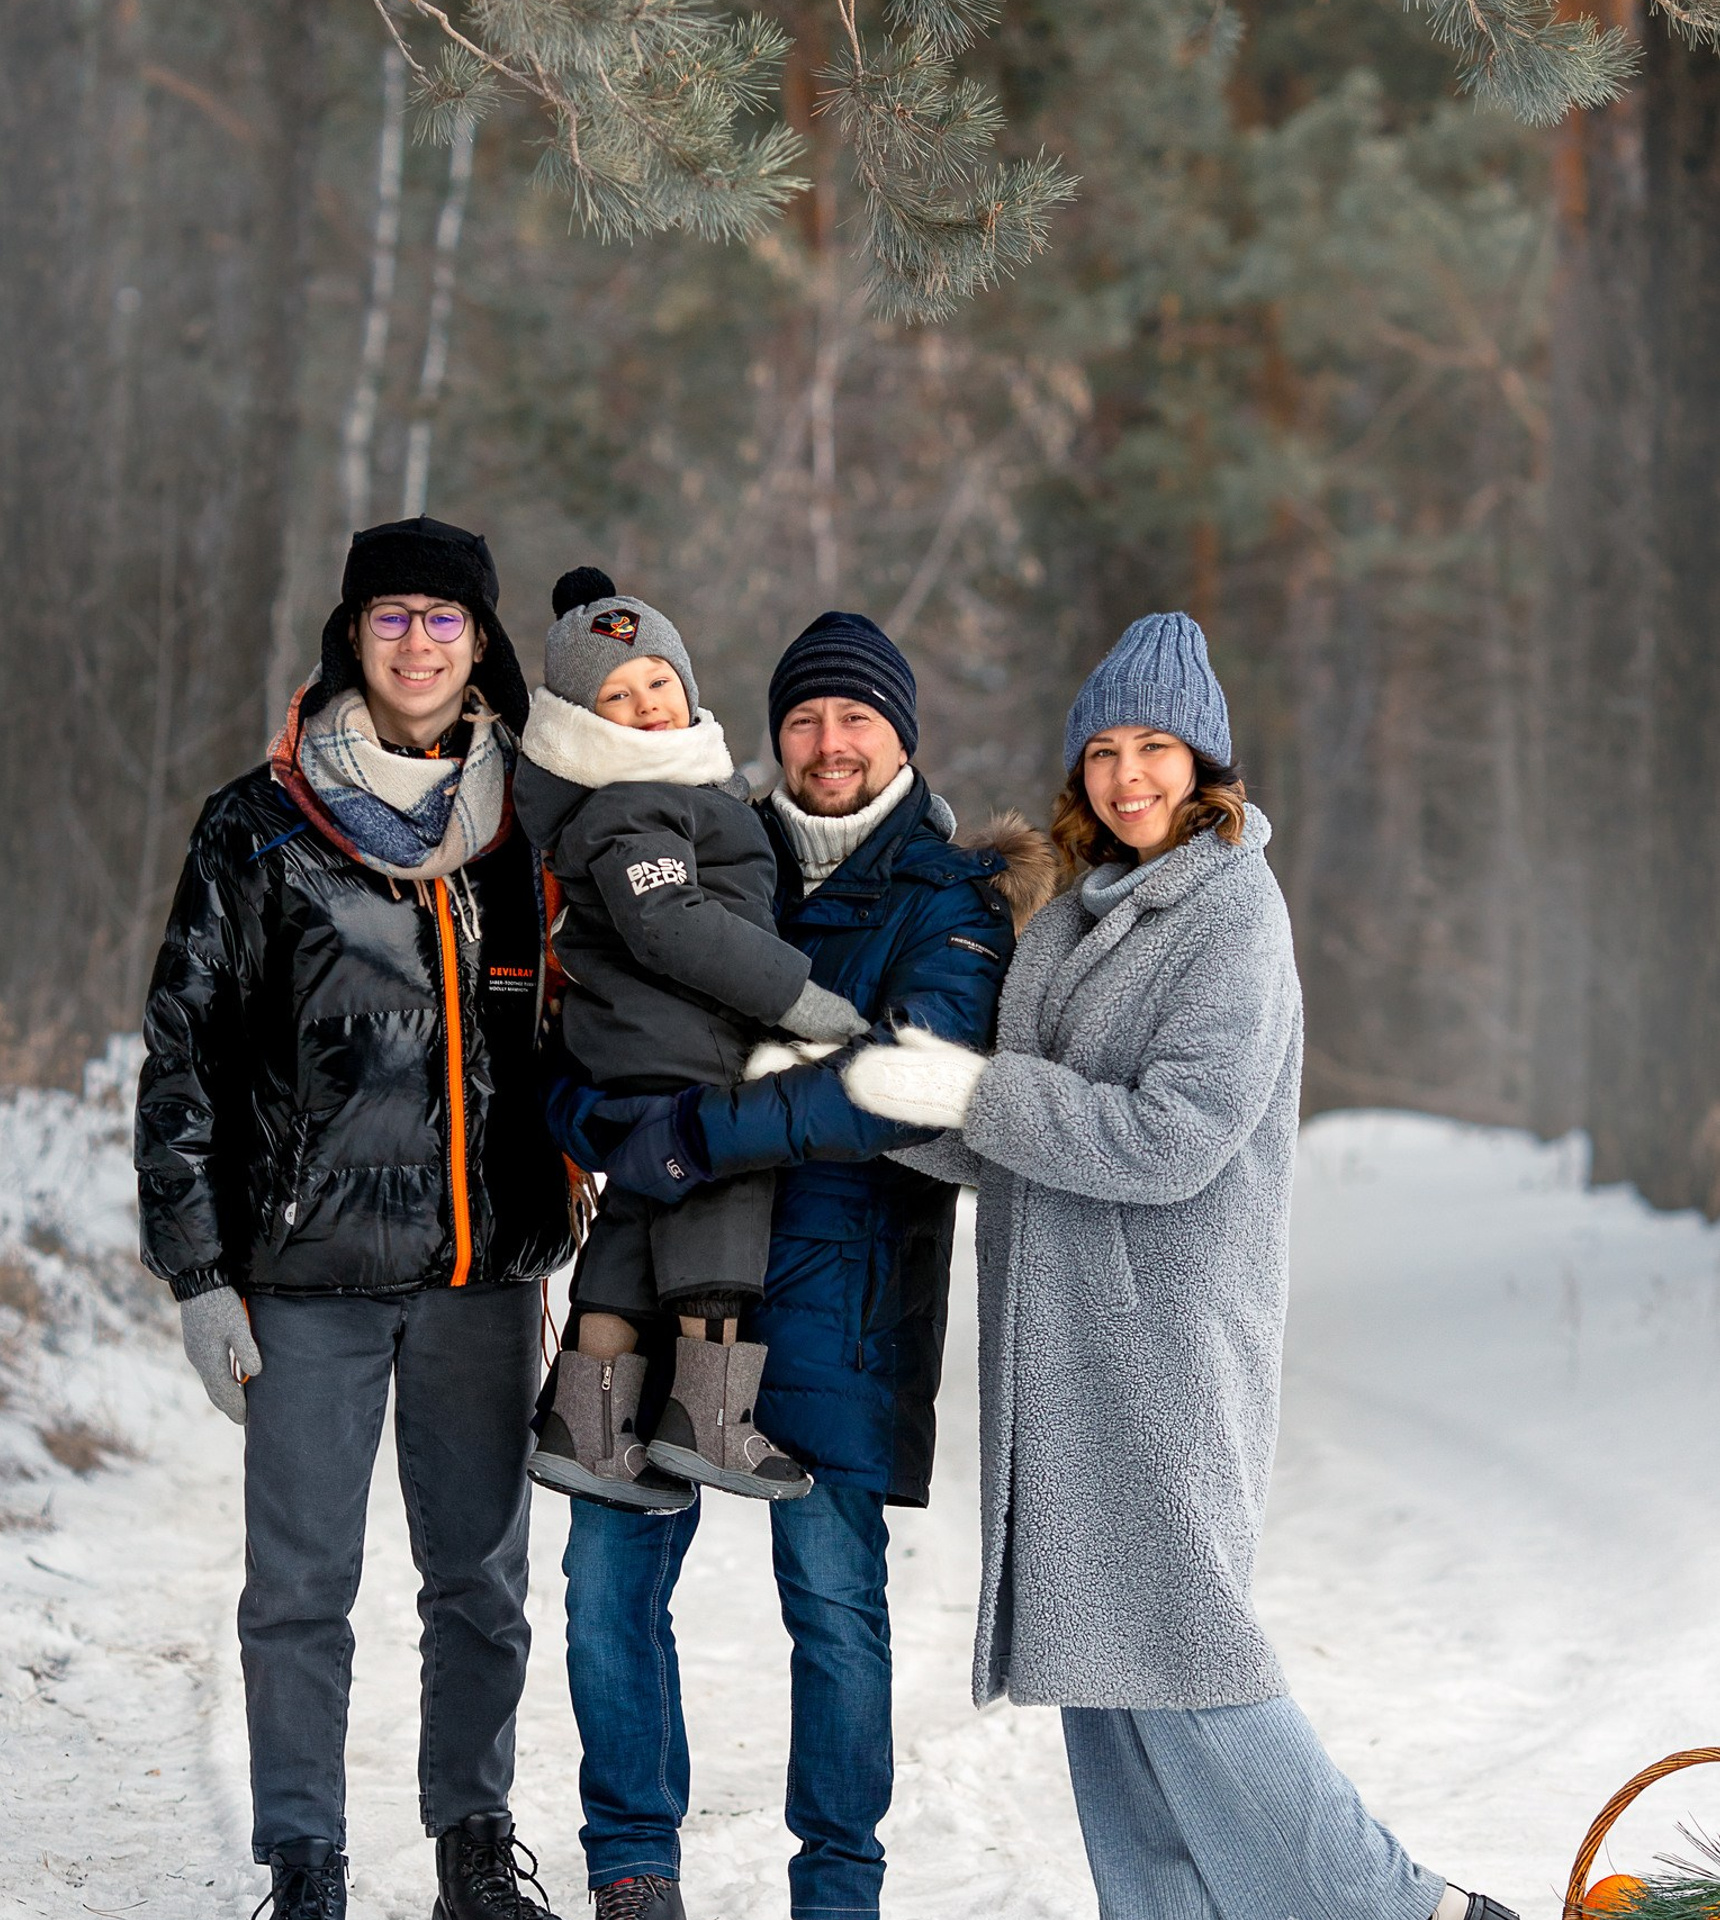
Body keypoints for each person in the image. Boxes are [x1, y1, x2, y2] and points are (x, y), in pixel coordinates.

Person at [842, 611, 1518, 1920]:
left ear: (1203, 761)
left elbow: (1172, 1138)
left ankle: (1409, 1908)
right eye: (1104, 751)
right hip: (1062, 1353)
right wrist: (880, 1099)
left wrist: (975, 1094)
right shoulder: (1069, 917)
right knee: (1107, 1687)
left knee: (1190, 1660)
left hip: (1163, 1351)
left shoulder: (1231, 914)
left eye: (1154, 748)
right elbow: (1025, 1135)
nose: (1128, 775)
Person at [546, 611, 1056, 1920]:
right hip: (665, 1274)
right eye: (805, 718)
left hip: (842, 1297)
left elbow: (904, 1082)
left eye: (856, 718)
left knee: (832, 1609)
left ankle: (838, 1891)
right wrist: (596, 1119)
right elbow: (599, 1019)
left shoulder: (950, 895)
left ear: (902, 735)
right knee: (605, 1587)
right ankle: (632, 1868)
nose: (829, 743)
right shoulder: (704, 840)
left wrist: (691, 1132)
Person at [135, 517, 576, 1920]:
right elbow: (183, 1054)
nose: (417, 643)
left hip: (480, 1275)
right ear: (351, 634)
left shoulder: (535, 822)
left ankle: (473, 1847)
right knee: (298, 1590)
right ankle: (306, 1862)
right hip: (304, 1273)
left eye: (446, 620)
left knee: (481, 1586)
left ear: (482, 643)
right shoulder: (257, 823)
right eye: (392, 616)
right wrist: (197, 1271)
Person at [517, 568, 873, 1509]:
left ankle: (586, 1426)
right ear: (582, 719)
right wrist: (798, 1000)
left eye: (658, 682)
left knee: (639, 1221)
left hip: (650, 1051)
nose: (645, 706)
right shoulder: (630, 801)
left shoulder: (671, 788)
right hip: (681, 1053)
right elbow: (671, 922)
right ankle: (708, 1417)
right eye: (616, 696)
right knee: (724, 1186)